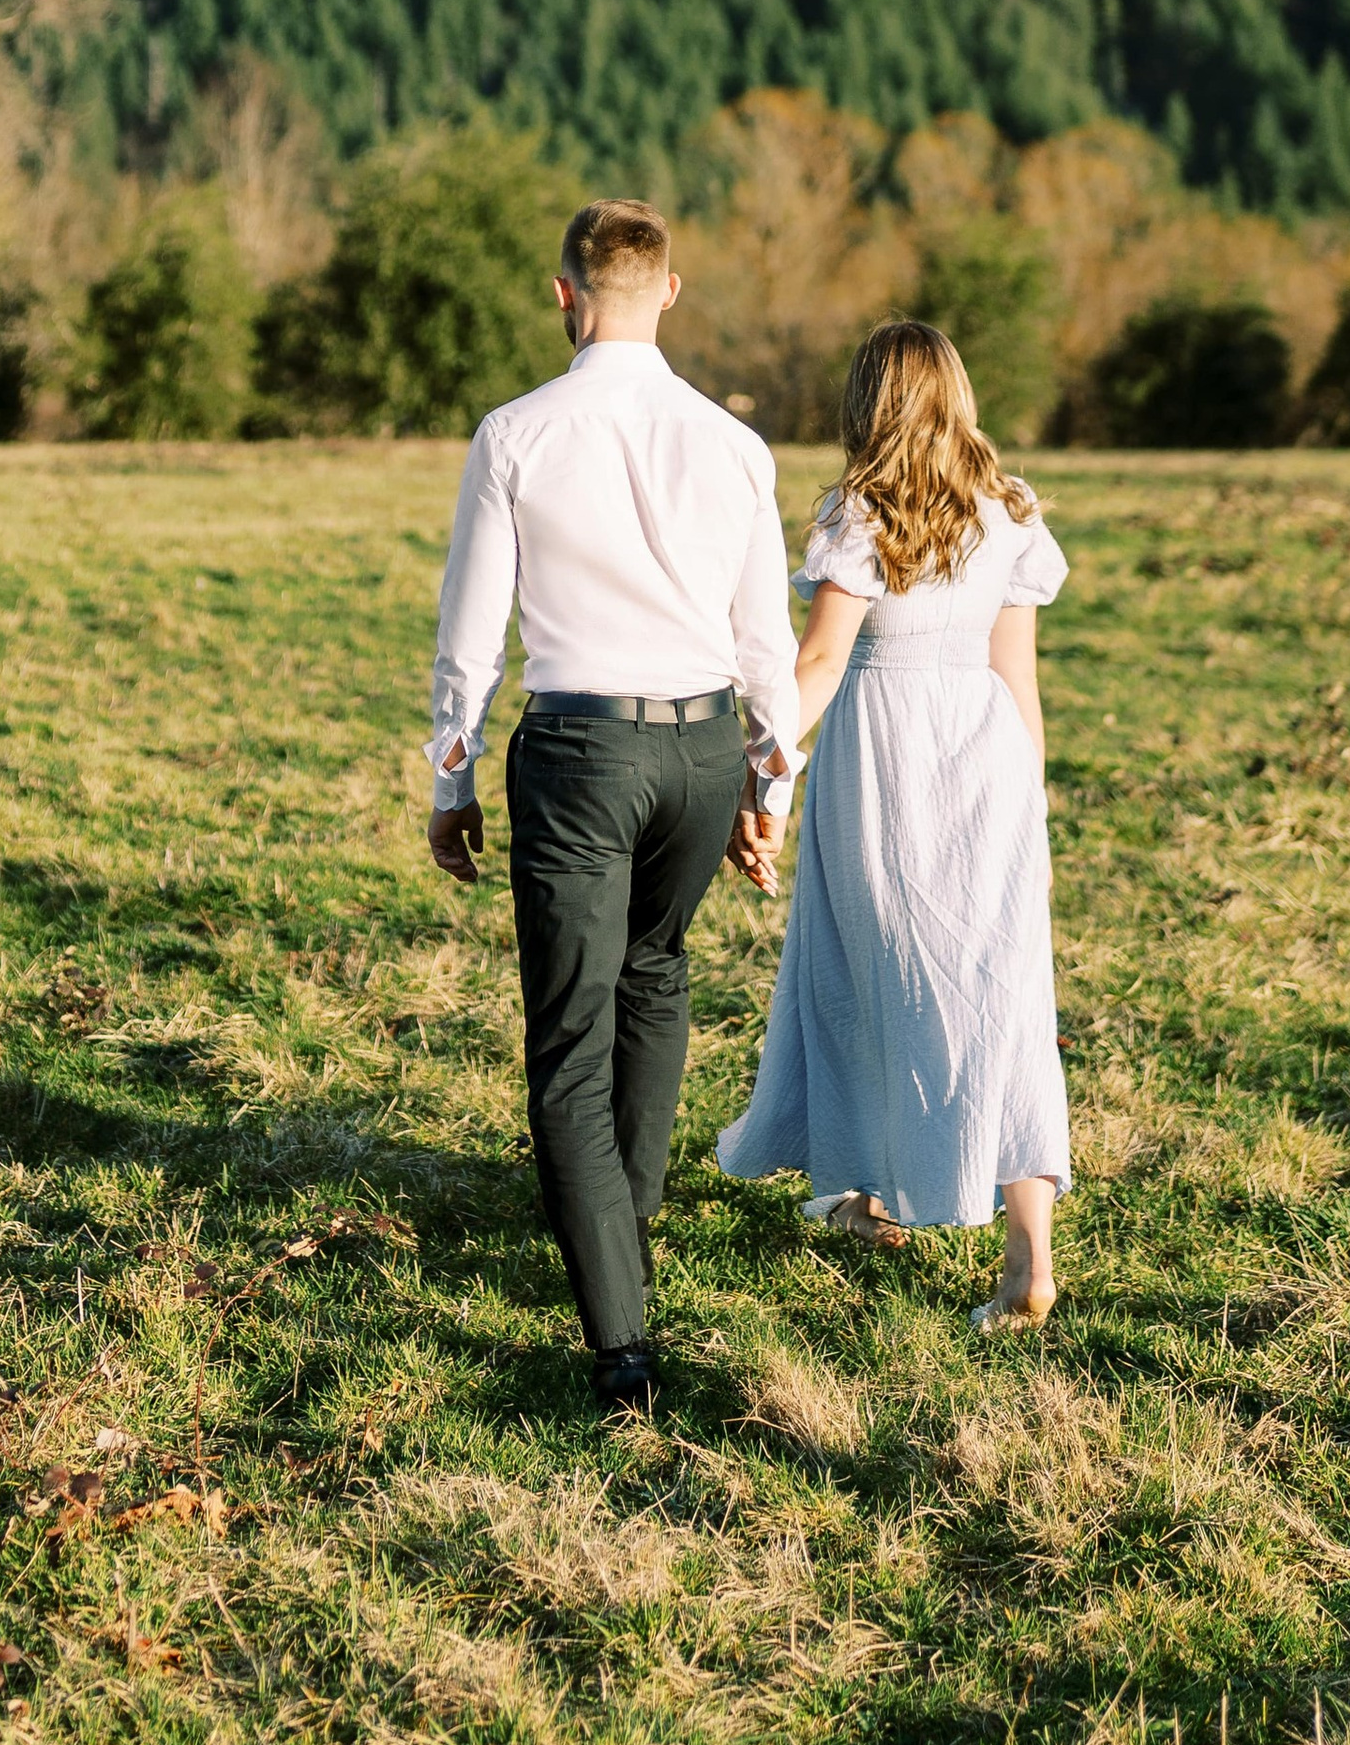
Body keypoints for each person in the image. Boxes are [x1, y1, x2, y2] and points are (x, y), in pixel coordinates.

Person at [427, 197, 804, 1420]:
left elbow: (470, 636)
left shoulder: (516, 432)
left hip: (582, 749)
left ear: (563, 294)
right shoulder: (734, 447)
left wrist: (450, 780)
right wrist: (771, 782)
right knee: (656, 971)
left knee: (568, 1035)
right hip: (699, 749)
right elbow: (766, 642)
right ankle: (621, 1216)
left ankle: (621, 1349)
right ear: (671, 293)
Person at [715, 318, 1070, 1333]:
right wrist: (1031, 808)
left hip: (885, 762)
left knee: (863, 975)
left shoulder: (858, 511)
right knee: (999, 998)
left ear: (865, 403)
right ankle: (1023, 1254)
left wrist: (763, 773)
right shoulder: (1011, 510)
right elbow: (1019, 676)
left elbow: (819, 667)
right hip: (989, 756)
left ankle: (867, 1191)